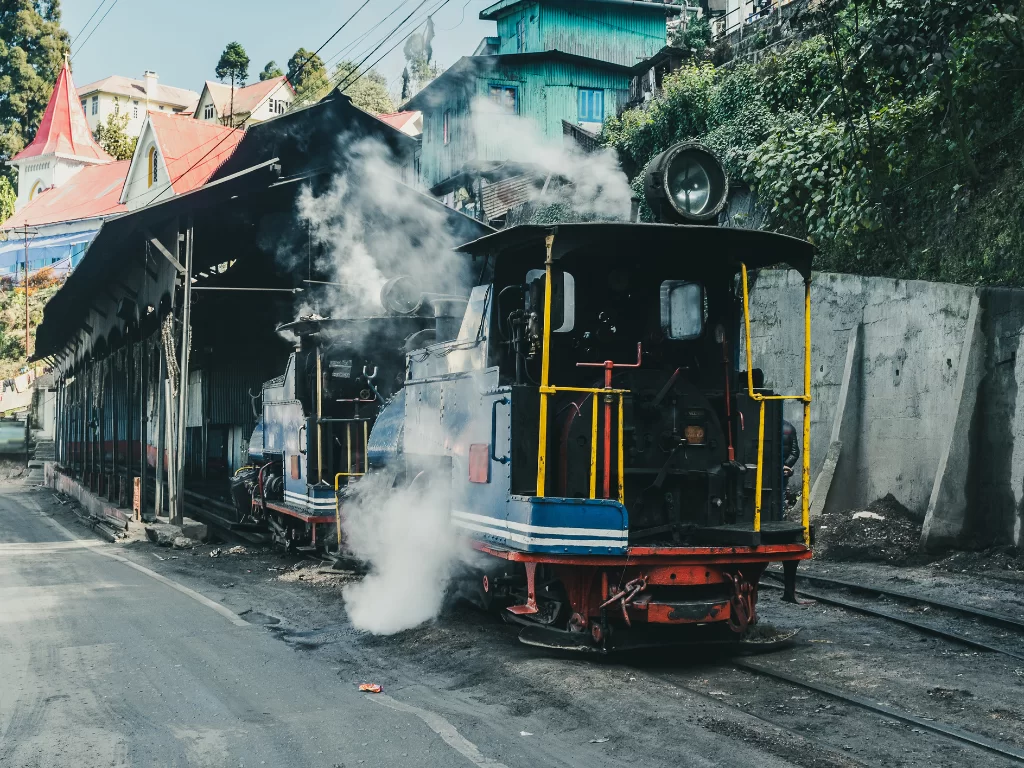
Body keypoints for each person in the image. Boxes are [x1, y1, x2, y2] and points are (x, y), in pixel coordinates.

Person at [782, 420, 800, 511]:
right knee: (781, 495)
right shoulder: (789, 428)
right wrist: (785, 466)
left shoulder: (761, 425)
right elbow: (795, 453)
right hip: (783, 472)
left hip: (765, 470)